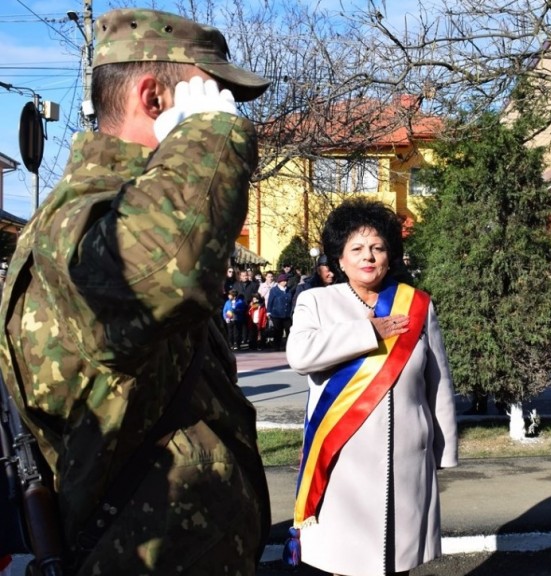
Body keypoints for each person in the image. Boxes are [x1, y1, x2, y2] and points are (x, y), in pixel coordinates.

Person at [0, 8, 272, 573]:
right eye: (212, 95)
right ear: (153, 99)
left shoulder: (129, 211)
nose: (225, 113)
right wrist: (210, 136)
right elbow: (163, 274)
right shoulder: (77, 221)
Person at [286, 197, 458, 576]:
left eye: (378, 248)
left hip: (408, 457)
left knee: (400, 563)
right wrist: (368, 332)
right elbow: (300, 355)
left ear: (390, 255)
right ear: (339, 258)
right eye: (357, 249)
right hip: (343, 460)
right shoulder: (316, 301)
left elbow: (438, 382)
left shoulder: (416, 305)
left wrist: (443, 451)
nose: (369, 257)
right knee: (347, 565)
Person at [266, 273, 293, 351]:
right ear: (280, 281)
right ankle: (276, 346)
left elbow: (290, 301)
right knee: (278, 331)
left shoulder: (288, 290)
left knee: (289, 330)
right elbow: (270, 301)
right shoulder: (274, 290)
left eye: (286, 280)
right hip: (276, 314)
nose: (285, 282)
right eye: (284, 281)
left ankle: (288, 346)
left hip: (287, 314)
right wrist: (268, 311)